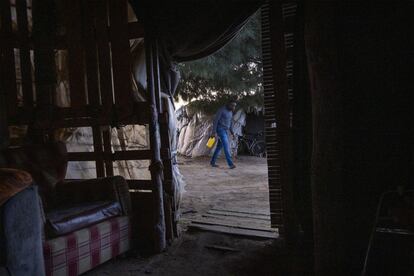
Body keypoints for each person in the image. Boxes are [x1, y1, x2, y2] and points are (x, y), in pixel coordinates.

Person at [210, 100, 237, 169]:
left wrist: (232, 132)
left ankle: (212, 162)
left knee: (219, 147)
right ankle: (230, 164)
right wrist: (213, 132)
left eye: (235, 106)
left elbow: (230, 123)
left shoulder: (231, 112)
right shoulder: (221, 110)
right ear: (228, 104)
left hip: (226, 130)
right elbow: (215, 120)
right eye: (232, 105)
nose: (234, 107)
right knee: (226, 145)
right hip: (220, 129)